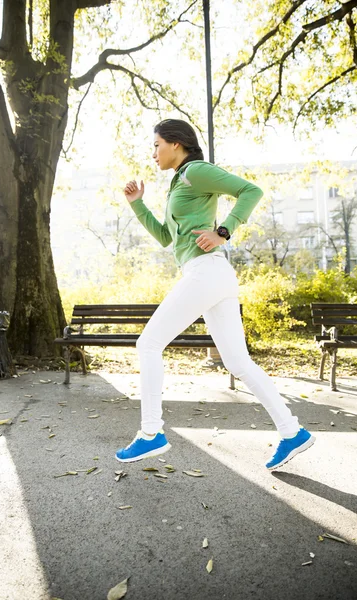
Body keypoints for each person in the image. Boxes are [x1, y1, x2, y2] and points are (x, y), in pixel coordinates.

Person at [116, 118, 315, 470]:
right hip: (210, 274)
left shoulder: (195, 171)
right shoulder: (179, 183)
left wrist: (223, 231)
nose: (153, 153)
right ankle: (292, 432)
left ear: (176, 143)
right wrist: (137, 204)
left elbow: (250, 191)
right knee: (237, 362)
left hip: (207, 270)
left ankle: (151, 434)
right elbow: (166, 238)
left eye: (157, 145)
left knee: (147, 344)